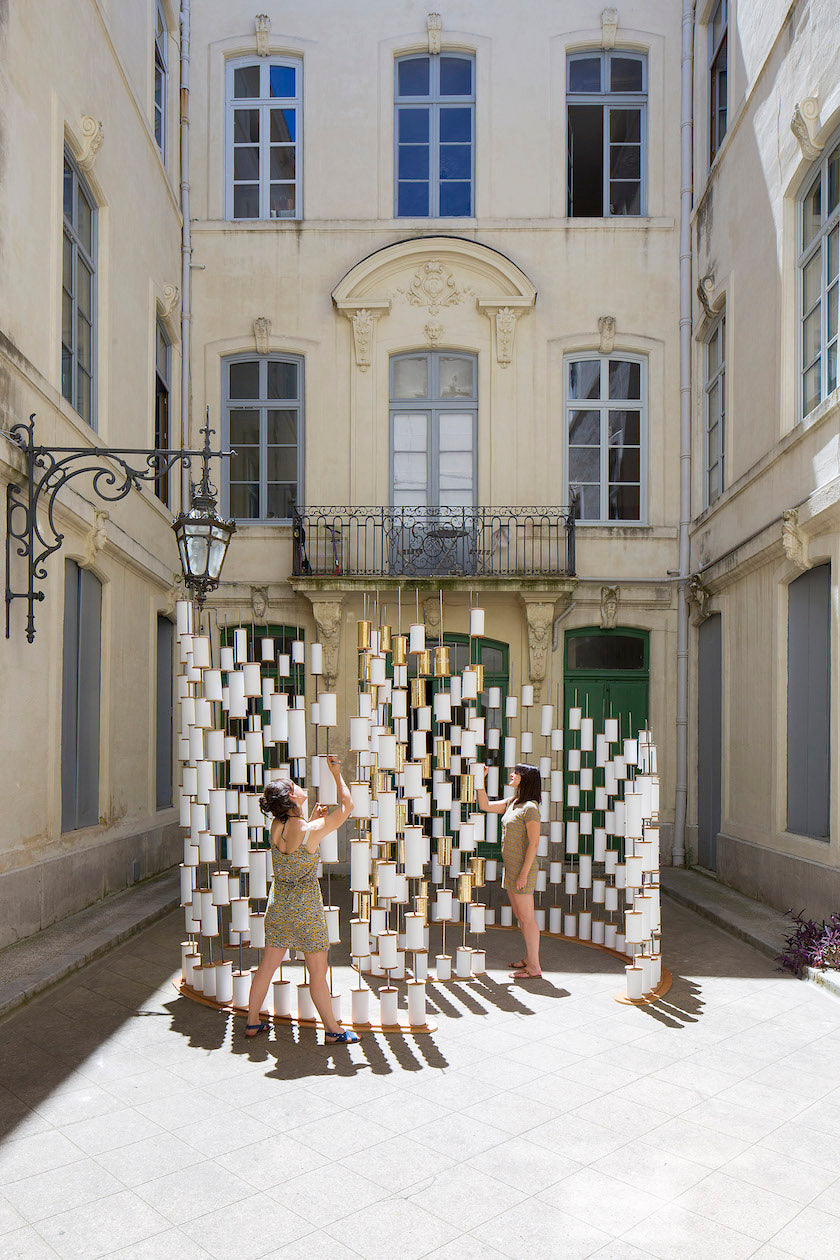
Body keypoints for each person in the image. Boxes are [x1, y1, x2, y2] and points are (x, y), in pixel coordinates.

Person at [245, 754, 358, 1042]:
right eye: (295, 785)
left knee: (267, 966)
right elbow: (347, 808)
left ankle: (252, 1021)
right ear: (292, 798)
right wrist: (336, 773)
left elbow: (292, 840)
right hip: (306, 910)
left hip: (279, 904)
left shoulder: (276, 826)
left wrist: (311, 820)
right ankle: (333, 1031)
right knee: (317, 973)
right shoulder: (309, 830)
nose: (300, 785)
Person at [476, 763, 542, 979]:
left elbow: (533, 844)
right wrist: (479, 779)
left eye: (517, 772)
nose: (512, 775)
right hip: (511, 869)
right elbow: (485, 805)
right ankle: (529, 958)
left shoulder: (530, 808)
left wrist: (523, 874)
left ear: (526, 778)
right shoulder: (513, 803)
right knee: (520, 917)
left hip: (523, 870)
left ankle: (534, 967)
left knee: (527, 918)